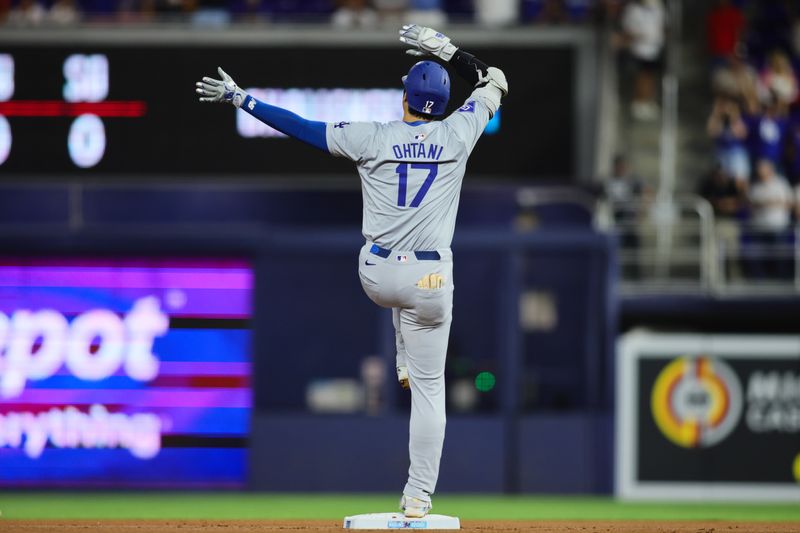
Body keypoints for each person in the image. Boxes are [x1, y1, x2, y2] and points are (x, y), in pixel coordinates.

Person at [195, 24, 507, 518]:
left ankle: (402, 353)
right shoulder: (461, 131)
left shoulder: (372, 137)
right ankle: (418, 496)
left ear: (405, 95)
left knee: (391, 286)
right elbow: (496, 79)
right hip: (430, 283)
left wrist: (241, 99)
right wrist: (448, 50)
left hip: (378, 277)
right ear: (444, 103)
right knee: (430, 388)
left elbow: (299, 126)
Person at [745, 159, 794, 279]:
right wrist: (769, 203)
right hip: (758, 227)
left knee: (779, 254)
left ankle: (781, 277)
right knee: (759, 254)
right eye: (758, 170)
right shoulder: (755, 186)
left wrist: (769, 203)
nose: (760, 172)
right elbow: (750, 204)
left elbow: (789, 203)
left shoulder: (781, 183)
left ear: (770, 170)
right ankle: (759, 278)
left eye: (762, 169)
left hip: (778, 226)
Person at [620, 0, 665, 121]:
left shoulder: (658, 8)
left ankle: (648, 100)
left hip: (654, 49)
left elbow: (661, 26)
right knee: (641, 76)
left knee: (651, 76)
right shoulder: (632, 10)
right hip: (639, 50)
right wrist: (641, 36)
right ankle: (639, 102)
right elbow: (627, 30)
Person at [698, 165, 745, 280]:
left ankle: (735, 278)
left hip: (729, 221)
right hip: (712, 221)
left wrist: (728, 204)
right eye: (717, 175)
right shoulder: (708, 185)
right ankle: (711, 279)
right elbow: (702, 201)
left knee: (732, 253)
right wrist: (718, 203)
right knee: (710, 253)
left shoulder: (732, 185)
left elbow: (740, 202)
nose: (720, 177)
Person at [707, 97, 750, 186]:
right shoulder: (718, 120)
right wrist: (717, 114)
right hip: (721, 153)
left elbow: (742, 134)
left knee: (739, 180)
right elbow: (712, 133)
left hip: (735, 153)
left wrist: (733, 117)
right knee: (720, 180)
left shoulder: (737, 119)